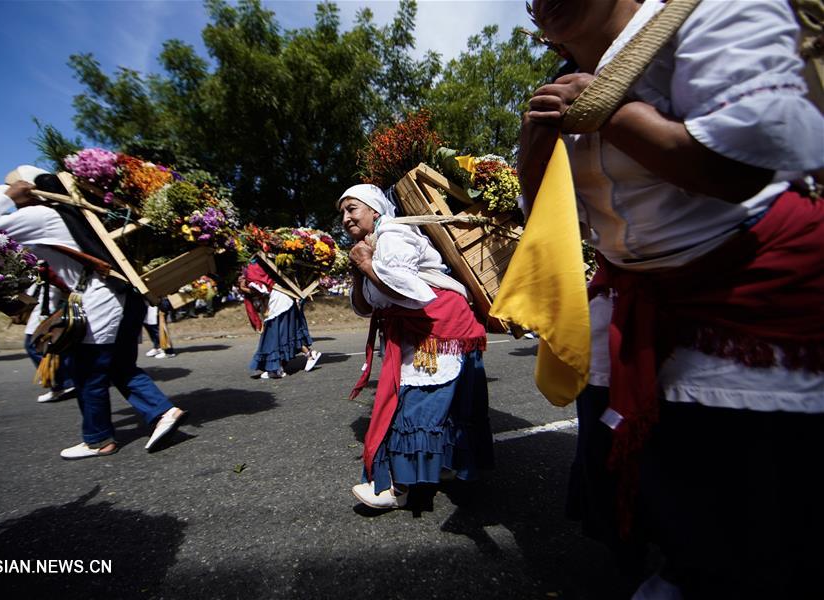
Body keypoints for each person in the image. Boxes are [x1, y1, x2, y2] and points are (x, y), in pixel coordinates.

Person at [522, 1, 824, 597]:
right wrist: (534, 144)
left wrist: (611, 112)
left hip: (754, 304)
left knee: (761, 518)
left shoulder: (710, 12)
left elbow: (742, 163)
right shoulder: (562, 87)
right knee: (670, 503)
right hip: (642, 305)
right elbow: (549, 222)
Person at [0, 167, 187, 459]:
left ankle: (98, 439)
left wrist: (7, 198)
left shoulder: (43, 215)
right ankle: (163, 412)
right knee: (118, 366)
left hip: (102, 299)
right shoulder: (74, 212)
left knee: (87, 370)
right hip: (126, 295)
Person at [338, 184, 494, 510]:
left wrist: (367, 266)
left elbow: (410, 292)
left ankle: (397, 487)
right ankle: (445, 464)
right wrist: (358, 274)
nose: (345, 217)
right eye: (342, 212)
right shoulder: (370, 244)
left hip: (437, 328)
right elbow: (368, 307)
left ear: (375, 211)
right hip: (417, 328)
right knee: (431, 400)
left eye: (352, 208)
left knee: (419, 401)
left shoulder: (394, 235)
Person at [242, 264, 321, 378]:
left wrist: (244, 288)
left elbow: (261, 289)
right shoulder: (259, 265)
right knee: (287, 333)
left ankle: (277, 368)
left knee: (274, 335)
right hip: (284, 298)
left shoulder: (253, 269)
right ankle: (308, 355)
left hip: (279, 301)